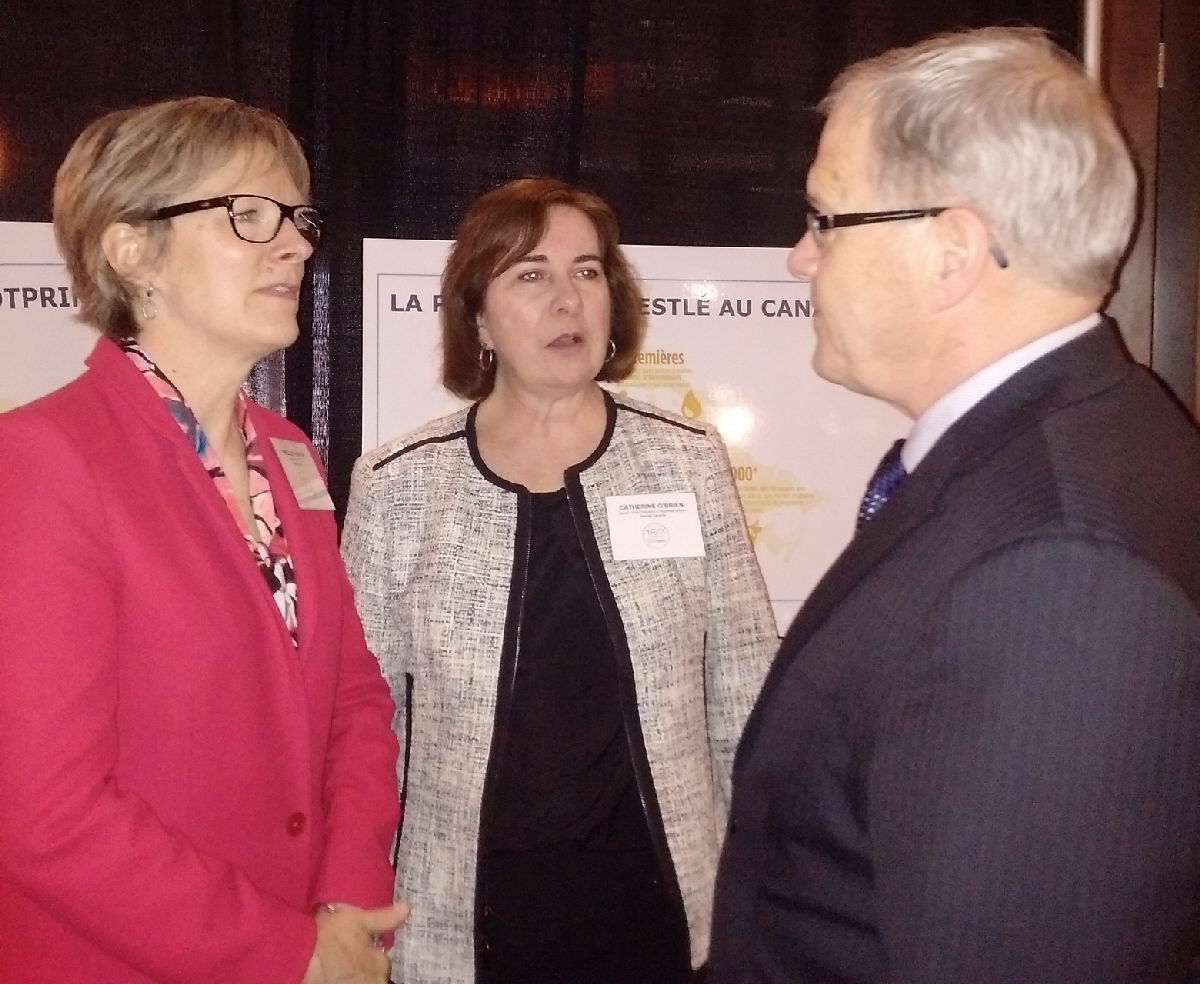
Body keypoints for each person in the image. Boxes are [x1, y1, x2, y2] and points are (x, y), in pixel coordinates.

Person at [708, 27, 1200, 984]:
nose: (800, 260)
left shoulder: (1060, 572)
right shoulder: (1060, 445)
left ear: (952, 251)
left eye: (824, 219)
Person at [0, 97, 407, 984]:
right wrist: (290, 953)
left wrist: (345, 903)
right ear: (132, 250)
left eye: (297, 218)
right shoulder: (43, 461)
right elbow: (45, 814)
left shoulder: (289, 454)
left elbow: (352, 700)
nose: (295, 246)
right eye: (248, 215)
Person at [342, 175, 777, 983]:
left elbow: (744, 687)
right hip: (468, 917)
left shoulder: (683, 459)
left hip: (658, 908)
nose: (567, 299)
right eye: (531, 274)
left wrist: (761, 882)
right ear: (478, 318)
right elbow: (365, 722)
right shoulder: (398, 484)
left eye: (587, 271)